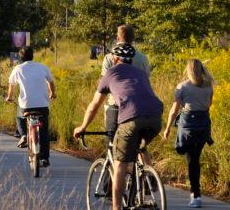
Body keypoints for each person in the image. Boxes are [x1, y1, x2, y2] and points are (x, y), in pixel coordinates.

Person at [74, 43, 163, 210]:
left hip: (131, 118)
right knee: (140, 147)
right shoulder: (141, 73)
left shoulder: (110, 73)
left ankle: (116, 208)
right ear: (131, 60)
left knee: (120, 164)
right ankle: (146, 182)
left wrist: (83, 126)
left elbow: (95, 105)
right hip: (156, 117)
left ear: (115, 59)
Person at [162, 59, 215, 208]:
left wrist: (167, 128)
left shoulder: (182, 87)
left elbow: (174, 110)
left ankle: (196, 195)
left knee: (191, 161)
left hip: (189, 126)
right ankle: (195, 192)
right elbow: (209, 104)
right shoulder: (208, 85)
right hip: (204, 124)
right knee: (195, 159)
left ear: (188, 70)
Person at [5, 46, 56, 167]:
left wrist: (9, 97)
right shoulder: (42, 67)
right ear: (33, 56)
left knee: (19, 116)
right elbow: (51, 82)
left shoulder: (17, 69)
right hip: (42, 105)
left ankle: (23, 135)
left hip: (26, 105)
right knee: (43, 131)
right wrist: (52, 93)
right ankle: (44, 158)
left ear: (20, 57)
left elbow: (11, 86)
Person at [101, 25, 151, 144]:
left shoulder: (110, 58)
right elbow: (146, 80)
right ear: (133, 38)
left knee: (112, 142)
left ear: (117, 38)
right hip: (140, 106)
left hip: (117, 105)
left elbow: (104, 86)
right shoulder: (143, 58)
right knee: (137, 144)